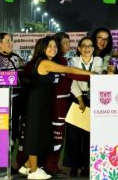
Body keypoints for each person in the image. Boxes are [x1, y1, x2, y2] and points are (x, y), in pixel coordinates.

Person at [19, 36, 94, 180]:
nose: (53, 49)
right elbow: (68, 70)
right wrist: (92, 74)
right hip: (37, 103)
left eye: (55, 46)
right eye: (49, 46)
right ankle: (34, 171)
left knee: (41, 135)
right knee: (35, 135)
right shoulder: (45, 62)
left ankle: (27, 165)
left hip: (42, 103)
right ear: (42, 48)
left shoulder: (44, 61)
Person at [43, 31, 86, 176]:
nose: (68, 45)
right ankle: (49, 167)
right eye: (65, 43)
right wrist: (91, 76)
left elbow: (70, 80)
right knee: (56, 135)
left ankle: (52, 166)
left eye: (69, 42)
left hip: (63, 102)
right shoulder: (54, 61)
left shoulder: (62, 60)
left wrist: (79, 98)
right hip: (56, 104)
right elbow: (71, 76)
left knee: (59, 135)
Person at [64, 36, 104, 176]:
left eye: (90, 46)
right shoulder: (73, 61)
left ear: (93, 48)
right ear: (79, 48)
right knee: (74, 134)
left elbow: (97, 76)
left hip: (94, 99)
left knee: (90, 134)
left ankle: (87, 165)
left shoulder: (98, 60)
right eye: (84, 46)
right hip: (77, 98)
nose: (87, 48)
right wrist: (80, 99)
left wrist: (83, 75)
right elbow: (73, 81)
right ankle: (74, 166)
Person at [0, 33, 26, 156]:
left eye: (11, 41)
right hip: (0, 104)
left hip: (18, 103)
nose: (11, 44)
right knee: (1, 134)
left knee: (15, 133)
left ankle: (9, 161)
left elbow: (25, 76)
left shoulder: (17, 58)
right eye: (8, 41)